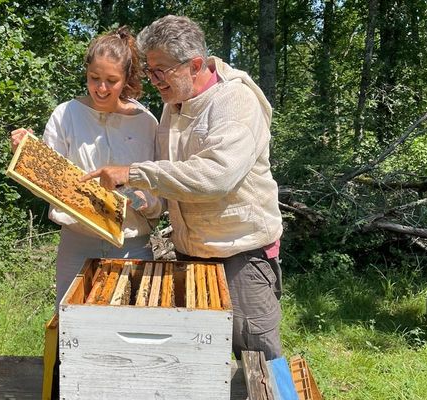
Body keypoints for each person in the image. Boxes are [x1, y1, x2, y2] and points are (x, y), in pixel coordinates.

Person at [81, 15, 284, 360]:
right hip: (191, 253)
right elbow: (169, 179)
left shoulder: (236, 101)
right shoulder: (173, 105)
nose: (153, 80)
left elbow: (217, 176)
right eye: (149, 70)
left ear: (194, 65)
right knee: (201, 362)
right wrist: (145, 201)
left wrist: (132, 172)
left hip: (242, 256)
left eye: (161, 70)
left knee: (260, 359)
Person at [11, 26, 161, 309]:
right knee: (72, 328)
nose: (101, 88)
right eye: (94, 78)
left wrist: (136, 199)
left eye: (111, 80)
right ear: (86, 73)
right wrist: (27, 154)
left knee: (132, 325)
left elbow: (160, 191)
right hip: (77, 241)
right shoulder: (66, 114)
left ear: (126, 79)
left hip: (131, 242)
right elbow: (48, 184)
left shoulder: (146, 122)